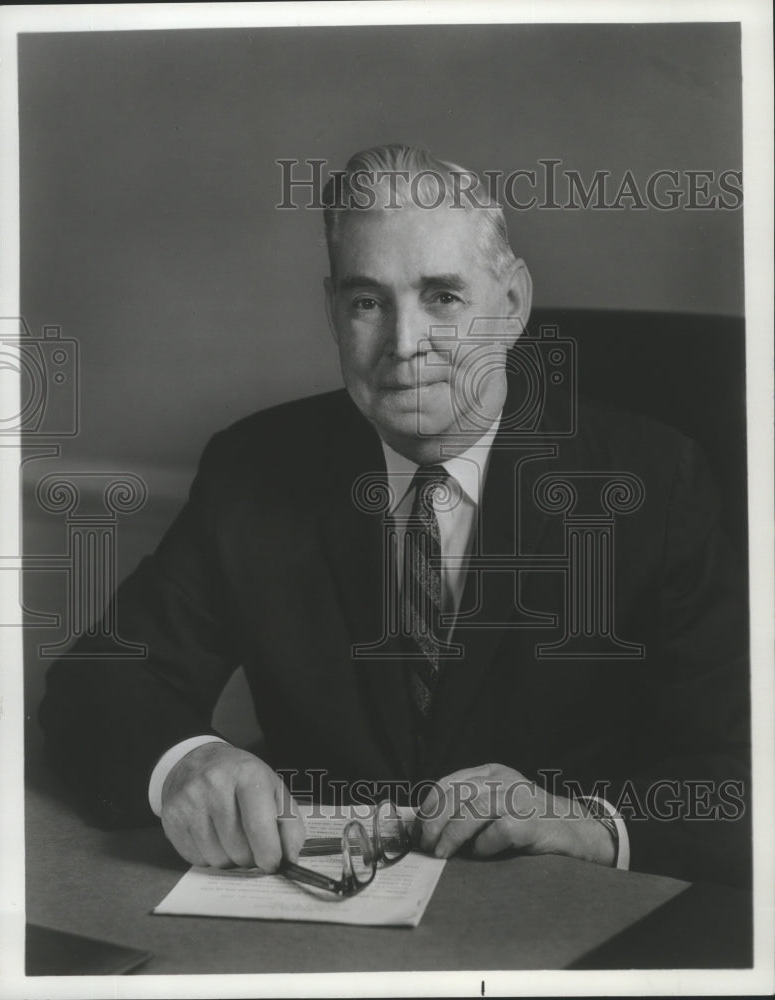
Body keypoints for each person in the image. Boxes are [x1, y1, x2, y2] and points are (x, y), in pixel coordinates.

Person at [39, 144, 750, 886]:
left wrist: (592, 825)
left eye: (441, 296)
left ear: (510, 304)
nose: (404, 345)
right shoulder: (256, 468)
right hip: (313, 914)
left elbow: (742, 768)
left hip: (559, 916)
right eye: (367, 302)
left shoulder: (650, 480)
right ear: (332, 311)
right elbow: (99, 683)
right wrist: (189, 761)